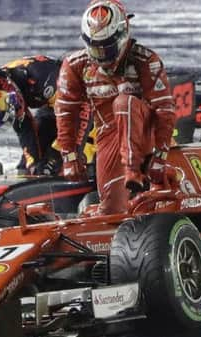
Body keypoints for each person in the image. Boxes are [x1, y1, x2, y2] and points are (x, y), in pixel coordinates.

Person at [55, 0, 176, 214]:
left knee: (123, 102)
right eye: (95, 48)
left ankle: (134, 171)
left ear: (122, 34)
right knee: (111, 212)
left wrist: (161, 155)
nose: (102, 55)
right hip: (108, 136)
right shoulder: (75, 65)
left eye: (107, 47)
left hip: (148, 133)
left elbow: (164, 111)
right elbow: (66, 112)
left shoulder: (146, 60)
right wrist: (70, 156)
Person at [0, 55, 63, 175]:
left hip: (82, 104)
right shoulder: (5, 87)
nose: (14, 115)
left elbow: (77, 118)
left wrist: (55, 154)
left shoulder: (46, 81)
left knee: (57, 160)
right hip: (53, 106)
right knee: (29, 166)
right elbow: (24, 127)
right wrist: (33, 163)